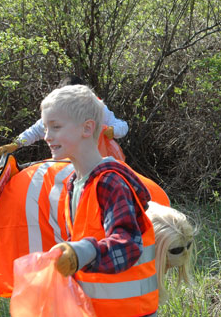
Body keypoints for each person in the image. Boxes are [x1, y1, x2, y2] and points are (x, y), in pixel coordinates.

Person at [42, 85, 158, 316]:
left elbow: (128, 244)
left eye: (55, 127)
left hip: (129, 311)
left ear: (87, 128)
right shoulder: (73, 183)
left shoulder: (110, 183)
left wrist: (82, 252)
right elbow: (80, 241)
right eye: (45, 128)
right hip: (95, 309)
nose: (47, 136)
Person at [0, 75, 128, 155]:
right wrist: (16, 143)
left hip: (96, 164)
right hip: (66, 166)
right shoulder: (57, 111)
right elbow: (36, 130)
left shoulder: (96, 108)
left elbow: (122, 125)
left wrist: (113, 130)